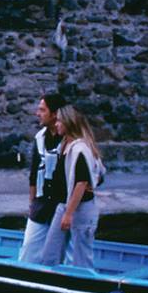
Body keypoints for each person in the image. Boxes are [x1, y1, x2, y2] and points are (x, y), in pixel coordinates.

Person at [40, 103, 105, 269]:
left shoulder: (80, 149)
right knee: (50, 255)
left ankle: (85, 283)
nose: (56, 124)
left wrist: (69, 214)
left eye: (59, 121)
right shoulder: (64, 144)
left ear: (69, 123)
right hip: (63, 206)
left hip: (81, 209)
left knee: (82, 260)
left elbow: (82, 182)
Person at [19, 91, 68, 263]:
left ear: (54, 114)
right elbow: (34, 174)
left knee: (57, 254)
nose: (37, 113)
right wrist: (32, 203)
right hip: (42, 203)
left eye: (42, 110)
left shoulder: (70, 139)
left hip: (63, 204)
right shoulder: (40, 138)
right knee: (29, 248)